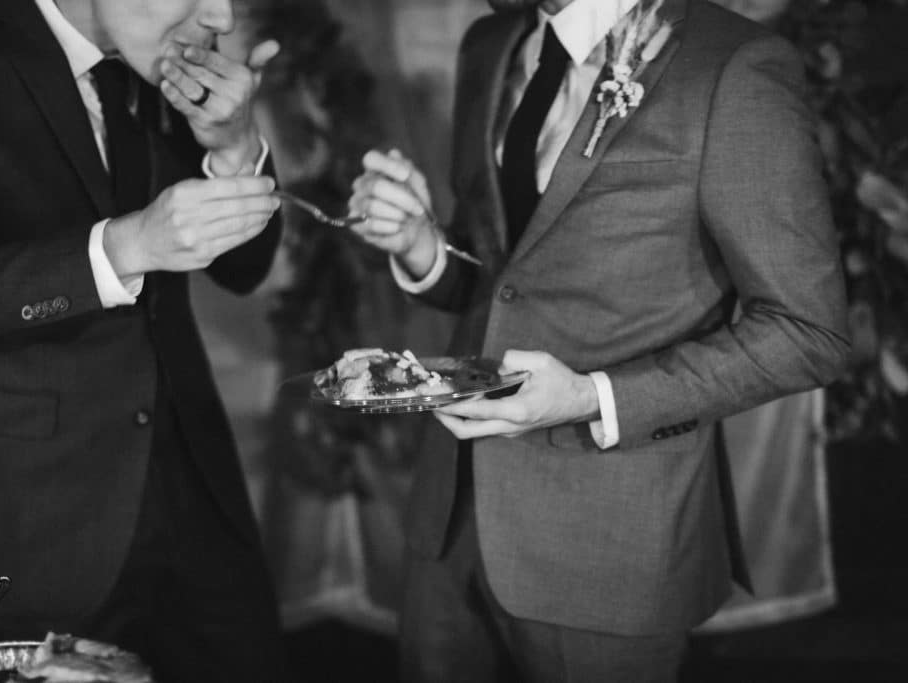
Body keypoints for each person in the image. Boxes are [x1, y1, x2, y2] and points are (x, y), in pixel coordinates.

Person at [348, 0, 850, 680]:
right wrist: (420, 249)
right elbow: (502, 279)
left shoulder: (732, 68)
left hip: (608, 541)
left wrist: (592, 397)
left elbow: (808, 330)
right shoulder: (490, 45)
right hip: (449, 518)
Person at [0, 0, 285, 678]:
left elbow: (244, 267)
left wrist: (235, 144)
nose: (219, 18)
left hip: (193, 497)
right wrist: (127, 246)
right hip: (7, 520)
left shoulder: (164, 57)